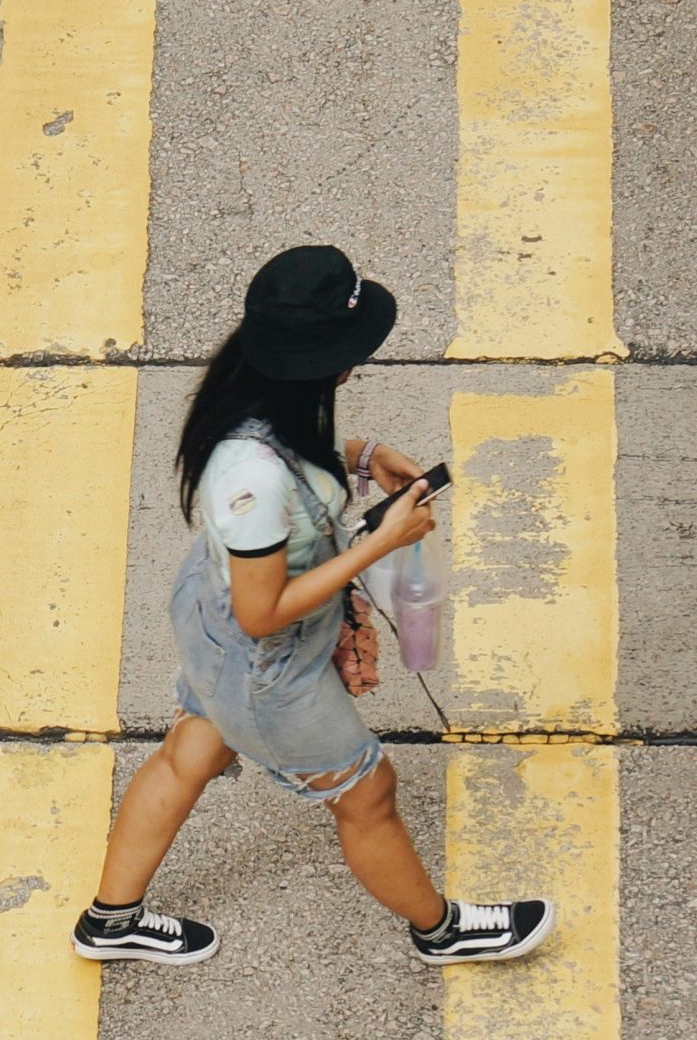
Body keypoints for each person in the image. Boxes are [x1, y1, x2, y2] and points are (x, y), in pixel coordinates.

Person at [70, 245, 555, 968]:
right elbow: (264, 612)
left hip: (210, 621)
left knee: (190, 751)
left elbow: (293, 458)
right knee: (369, 794)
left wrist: (364, 457)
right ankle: (441, 933)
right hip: (266, 661)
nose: (355, 363)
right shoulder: (253, 479)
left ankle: (109, 922)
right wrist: (382, 540)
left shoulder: (253, 392)